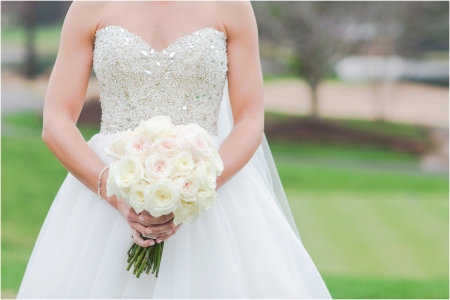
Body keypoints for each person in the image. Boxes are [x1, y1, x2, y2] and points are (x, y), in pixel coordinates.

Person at [17, 1, 332, 298]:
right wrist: (114, 192)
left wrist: (192, 190)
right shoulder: (90, 6)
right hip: (106, 192)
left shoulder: (232, 6)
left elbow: (250, 119)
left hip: (212, 196)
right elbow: (56, 120)